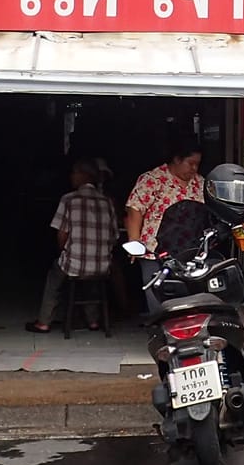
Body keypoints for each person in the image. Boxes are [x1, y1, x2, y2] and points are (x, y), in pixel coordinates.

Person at [29, 160, 118, 333]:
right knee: (91, 277)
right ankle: (93, 321)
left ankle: (44, 322)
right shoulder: (107, 202)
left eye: (74, 173)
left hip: (74, 264)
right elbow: (114, 236)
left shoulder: (69, 199)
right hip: (103, 265)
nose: (71, 177)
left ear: (83, 176)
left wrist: (63, 252)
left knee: (55, 275)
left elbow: (62, 234)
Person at [126, 142, 205, 256]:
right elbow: (135, 209)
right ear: (177, 159)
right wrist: (134, 242)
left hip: (191, 253)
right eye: (191, 163)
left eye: (197, 164)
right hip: (155, 252)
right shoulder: (153, 179)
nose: (194, 168)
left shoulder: (201, 183)